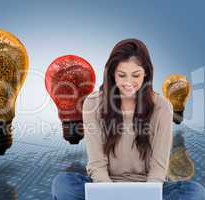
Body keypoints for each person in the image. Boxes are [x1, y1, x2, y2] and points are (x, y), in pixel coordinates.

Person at [51, 39, 205, 200]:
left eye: (136, 75)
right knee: (63, 184)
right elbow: (97, 164)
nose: (129, 83)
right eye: (122, 75)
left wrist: (148, 195)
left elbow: (158, 168)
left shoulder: (162, 107)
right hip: (103, 186)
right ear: (112, 74)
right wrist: (108, 195)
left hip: (150, 188)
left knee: (195, 192)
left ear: (146, 73)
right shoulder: (93, 103)